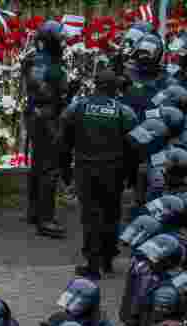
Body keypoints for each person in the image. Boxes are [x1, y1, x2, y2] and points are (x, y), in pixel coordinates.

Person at [60, 69, 137, 277]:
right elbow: (133, 145)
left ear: (95, 85)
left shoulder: (79, 107)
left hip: (86, 169)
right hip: (114, 171)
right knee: (112, 214)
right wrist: (131, 174)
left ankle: (92, 264)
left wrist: (65, 168)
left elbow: (64, 139)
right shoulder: (123, 111)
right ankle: (108, 259)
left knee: (91, 216)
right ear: (114, 88)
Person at [23, 21, 68, 238]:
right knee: (49, 168)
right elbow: (43, 90)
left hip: (38, 115)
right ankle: (46, 219)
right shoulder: (44, 63)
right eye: (61, 39)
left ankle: (34, 212)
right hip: (46, 117)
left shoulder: (37, 59)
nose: (64, 43)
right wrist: (66, 93)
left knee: (38, 164)